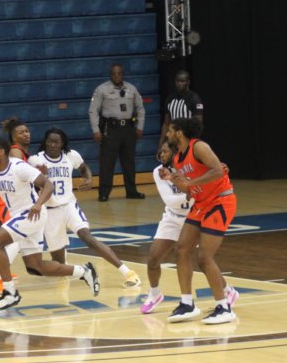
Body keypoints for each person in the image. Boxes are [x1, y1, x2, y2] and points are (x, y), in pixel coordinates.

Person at [0, 137, 100, 311]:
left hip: (32, 214)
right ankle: (84, 271)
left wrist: (38, 204)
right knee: (35, 267)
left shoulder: (19, 167)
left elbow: (48, 185)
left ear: (1, 152)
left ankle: (10, 293)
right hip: (20, 217)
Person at [28, 128, 142, 288]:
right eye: (49, 141)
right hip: (50, 212)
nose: (53, 145)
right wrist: (37, 175)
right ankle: (74, 269)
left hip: (69, 206)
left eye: (56, 142)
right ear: (45, 142)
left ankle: (128, 272)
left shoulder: (71, 155)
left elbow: (83, 168)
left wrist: (88, 179)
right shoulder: (35, 160)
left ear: (62, 144)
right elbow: (30, 184)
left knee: (88, 238)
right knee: (59, 262)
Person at [140, 141, 238, 314]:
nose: (162, 154)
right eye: (160, 151)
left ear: (175, 152)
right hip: (172, 217)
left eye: (165, 151)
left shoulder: (189, 167)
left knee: (204, 258)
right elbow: (170, 201)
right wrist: (192, 192)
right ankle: (155, 294)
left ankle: (227, 291)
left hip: (194, 215)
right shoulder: (159, 172)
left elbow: (210, 179)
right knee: (153, 258)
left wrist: (194, 190)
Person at [161, 117, 237, 324]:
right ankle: (187, 304)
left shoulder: (199, 147)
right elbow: (189, 189)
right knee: (182, 249)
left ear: (179, 133)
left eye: (170, 131)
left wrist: (191, 182)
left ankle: (224, 307)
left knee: (204, 257)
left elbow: (218, 170)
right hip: (201, 203)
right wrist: (173, 179)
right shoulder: (178, 159)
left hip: (220, 201)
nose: (167, 134)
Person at [88, 63, 146, 201]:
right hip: (110, 129)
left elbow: (140, 108)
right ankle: (104, 193)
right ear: (110, 75)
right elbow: (93, 110)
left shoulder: (132, 89)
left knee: (129, 162)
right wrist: (96, 130)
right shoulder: (101, 89)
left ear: (123, 74)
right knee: (107, 163)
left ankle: (131, 191)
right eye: (114, 73)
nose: (117, 76)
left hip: (128, 129)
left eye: (119, 73)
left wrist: (140, 127)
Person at [0, 117, 29, 292]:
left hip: (11, 201)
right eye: (21, 132)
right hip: (7, 201)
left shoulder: (21, 151)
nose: (25, 134)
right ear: (13, 137)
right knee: (17, 238)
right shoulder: (16, 152)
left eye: (26, 131)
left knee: (18, 237)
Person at [160, 69, 204, 146]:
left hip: (188, 140)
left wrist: (192, 143)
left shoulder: (194, 99)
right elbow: (166, 124)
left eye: (182, 81)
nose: (180, 84)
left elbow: (198, 124)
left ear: (188, 82)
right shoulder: (170, 99)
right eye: (178, 81)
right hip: (173, 140)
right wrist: (161, 144)